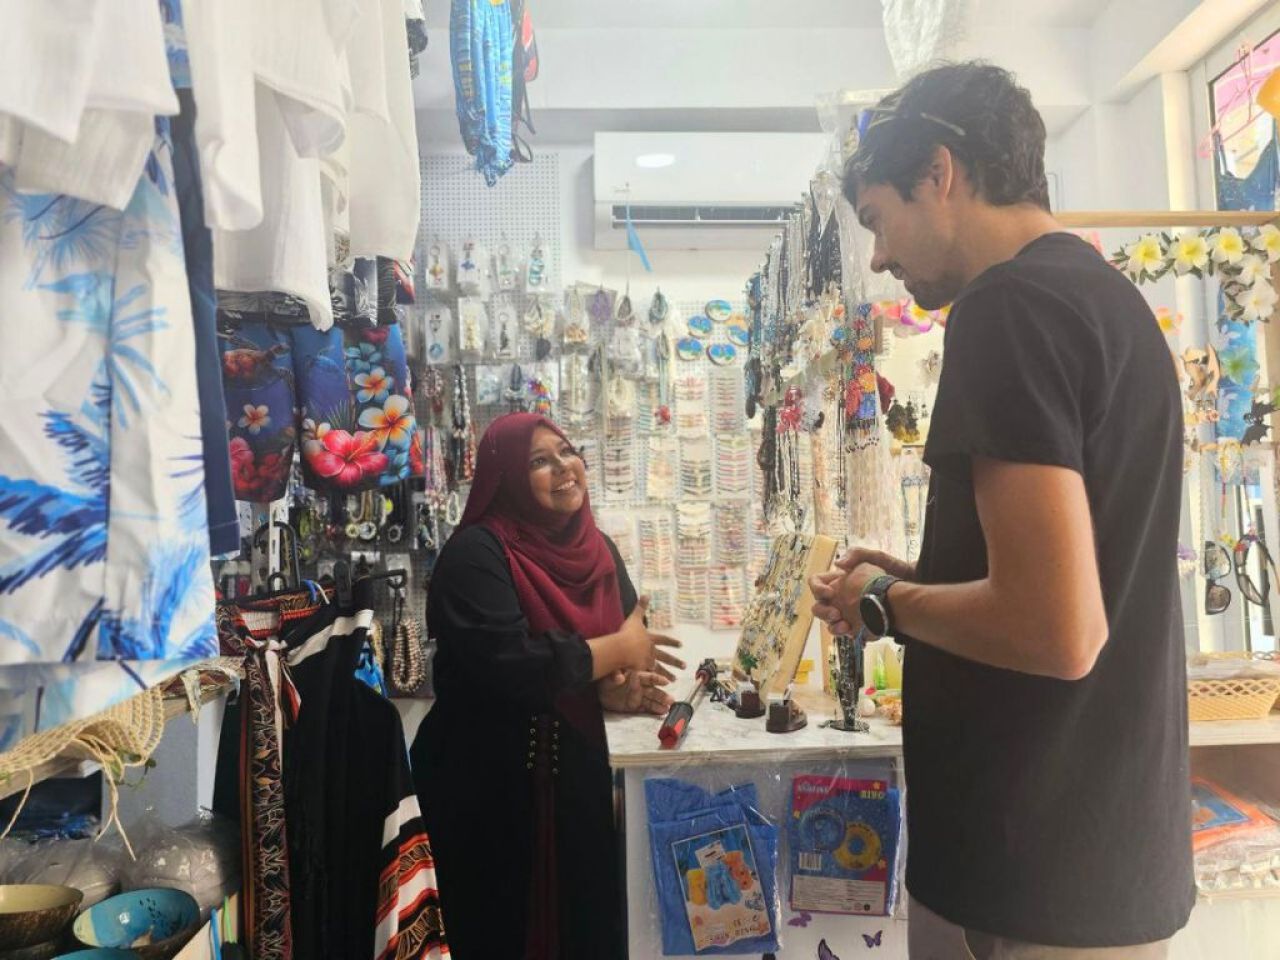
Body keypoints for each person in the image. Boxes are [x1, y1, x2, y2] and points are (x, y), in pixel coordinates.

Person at [810, 63, 1193, 959]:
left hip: (1041, 872)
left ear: (938, 173)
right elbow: (1085, 579)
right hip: (1096, 855)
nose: (879, 258)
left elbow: (1057, 628)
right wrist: (921, 578)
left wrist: (883, 602)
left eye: (878, 220)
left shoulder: (1007, 308)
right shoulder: (1106, 301)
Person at [410, 412, 682, 959]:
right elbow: (512, 666)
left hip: (575, 785)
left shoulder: (597, 550)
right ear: (506, 476)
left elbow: (614, 646)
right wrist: (618, 651)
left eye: (567, 451)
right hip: (486, 795)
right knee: (494, 934)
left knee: (582, 930)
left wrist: (611, 688)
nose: (563, 467)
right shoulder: (476, 556)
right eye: (539, 460)